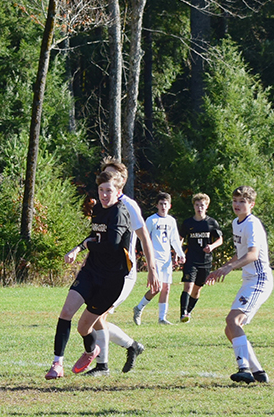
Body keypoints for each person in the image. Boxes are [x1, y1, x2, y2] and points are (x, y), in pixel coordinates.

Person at [45, 169, 132, 380]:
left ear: (118, 191)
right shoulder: (99, 210)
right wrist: (78, 248)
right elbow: (95, 236)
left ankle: (92, 350)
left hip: (111, 280)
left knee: (83, 327)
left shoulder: (119, 213)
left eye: (108, 190)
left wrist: (88, 246)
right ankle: (57, 364)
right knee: (66, 312)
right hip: (91, 271)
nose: (103, 194)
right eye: (101, 190)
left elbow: (111, 245)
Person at [85, 160, 160, 376]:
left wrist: (152, 270)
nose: (107, 179)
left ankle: (103, 366)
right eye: (104, 175)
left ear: (122, 181)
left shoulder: (128, 205)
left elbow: (144, 237)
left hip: (123, 274)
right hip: (103, 272)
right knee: (97, 317)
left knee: (97, 315)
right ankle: (131, 347)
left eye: (112, 176)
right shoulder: (102, 205)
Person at [205, 186, 272, 384]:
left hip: (260, 279)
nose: (237, 204)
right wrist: (222, 268)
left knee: (234, 321)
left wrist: (230, 267)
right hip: (249, 280)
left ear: (251, 204)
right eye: (235, 200)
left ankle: (244, 368)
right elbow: (241, 252)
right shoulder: (236, 223)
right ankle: (258, 372)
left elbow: (253, 254)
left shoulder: (252, 224)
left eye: (242, 201)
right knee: (230, 328)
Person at [132, 192, 185, 325]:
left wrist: (180, 253)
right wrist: (147, 257)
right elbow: (144, 238)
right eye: (160, 204)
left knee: (166, 288)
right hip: (155, 259)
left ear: (169, 206)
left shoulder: (171, 221)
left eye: (165, 204)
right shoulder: (151, 220)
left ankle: (162, 318)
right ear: (156, 205)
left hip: (166, 258)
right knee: (156, 288)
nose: (163, 206)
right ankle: (139, 308)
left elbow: (174, 239)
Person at [178, 193, 223, 322]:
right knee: (188, 286)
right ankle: (183, 313)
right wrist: (179, 253)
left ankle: (189, 311)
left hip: (205, 261)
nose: (199, 208)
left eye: (202, 205)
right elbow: (180, 239)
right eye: (197, 205)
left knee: (197, 290)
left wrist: (212, 246)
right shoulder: (188, 223)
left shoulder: (211, 222)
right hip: (191, 259)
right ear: (194, 206)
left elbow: (220, 239)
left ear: (206, 206)